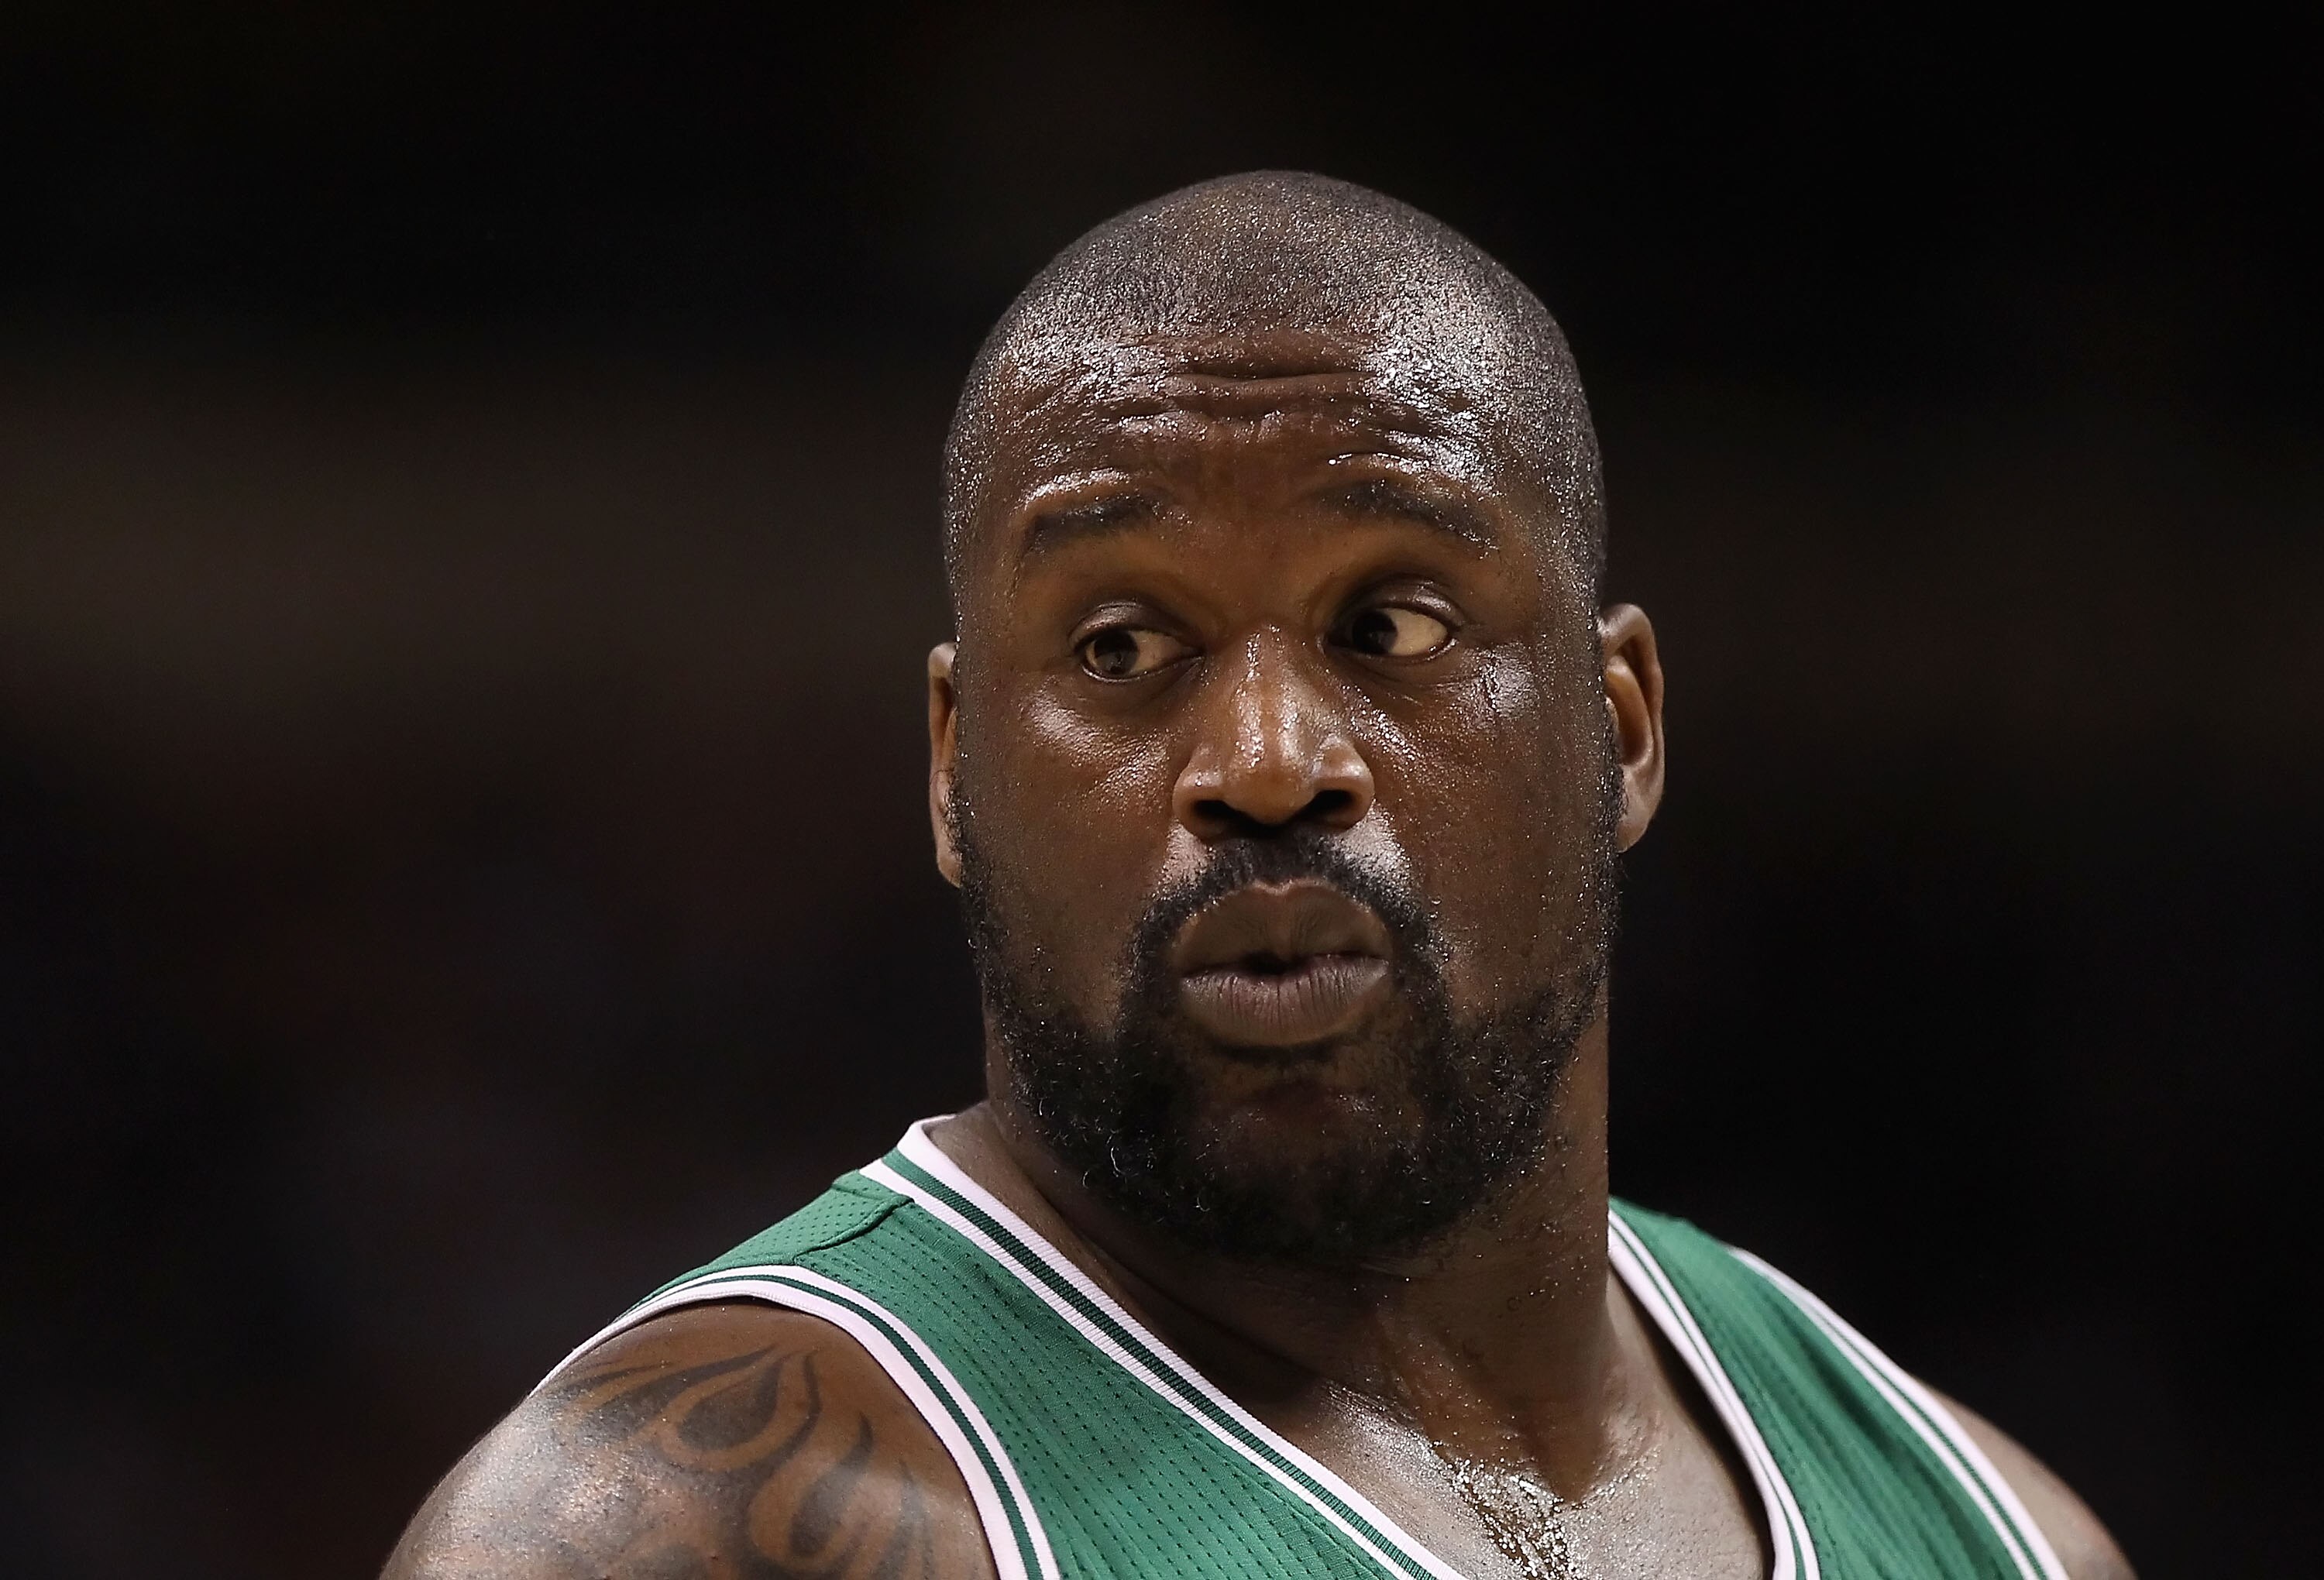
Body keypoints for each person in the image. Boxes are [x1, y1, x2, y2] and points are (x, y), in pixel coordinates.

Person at [383, 172, 2131, 1580]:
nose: (1271, 760)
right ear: (950, 769)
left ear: (1623, 729)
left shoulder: (1997, 1536)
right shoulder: (656, 1539)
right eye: (1127, 646)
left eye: (1394, 623)